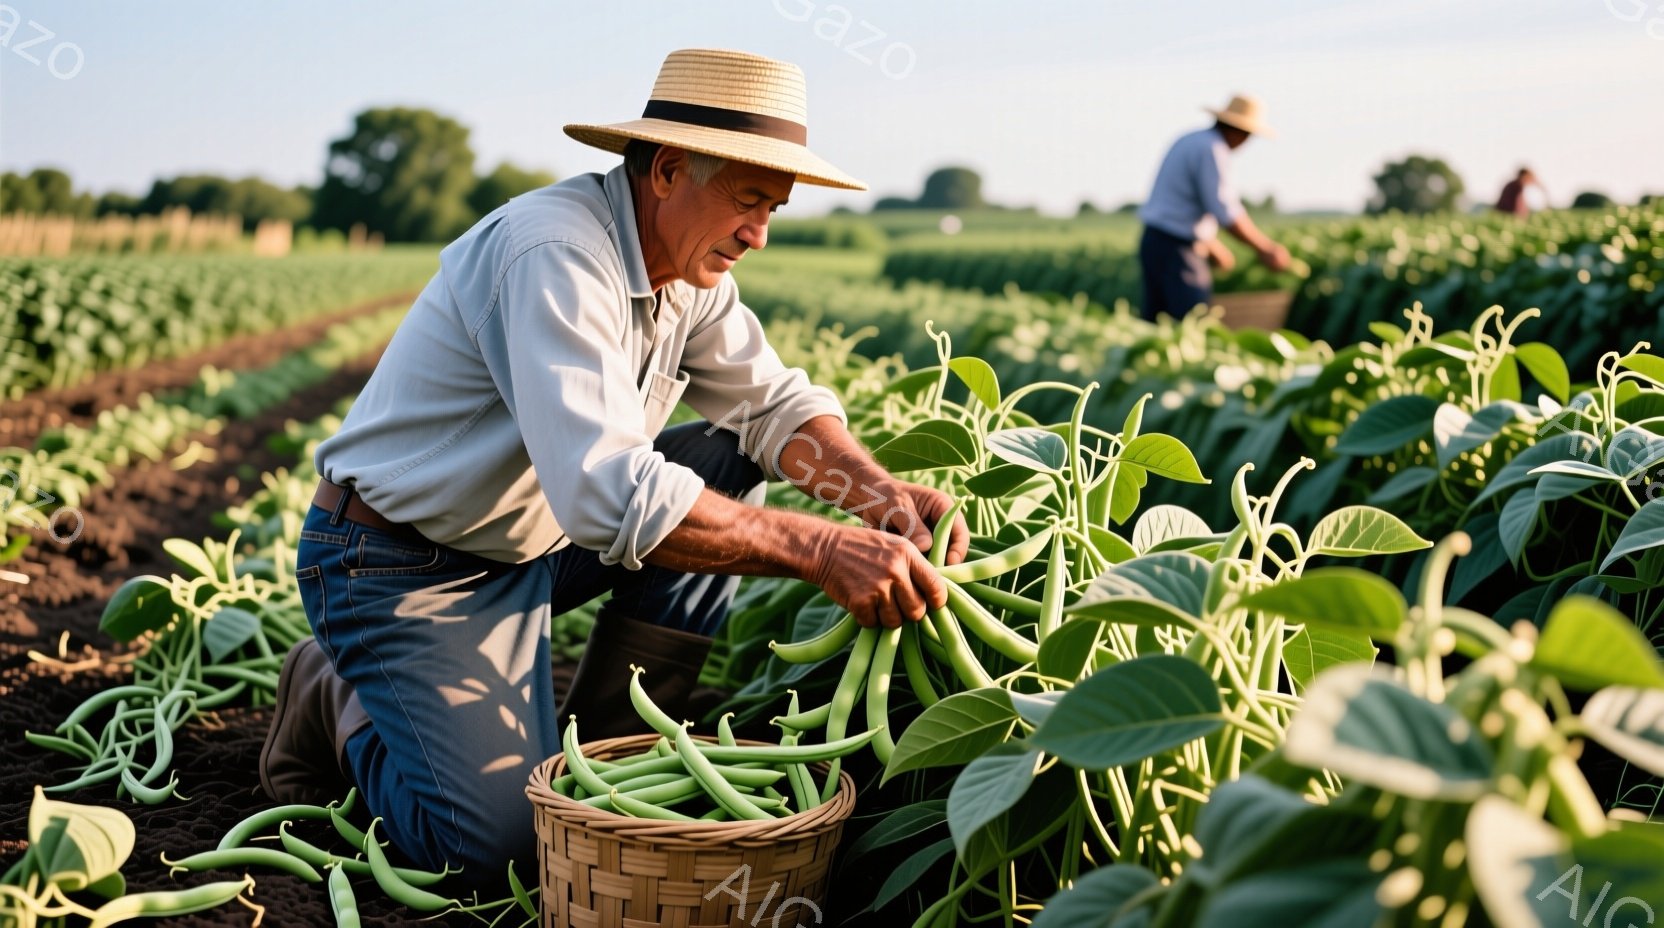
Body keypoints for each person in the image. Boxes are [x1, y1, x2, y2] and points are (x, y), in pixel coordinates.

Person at [258, 48, 968, 881]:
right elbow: (609, 494)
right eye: (747, 201)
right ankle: (334, 697)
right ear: (667, 170)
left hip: (530, 544)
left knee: (726, 453)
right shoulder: (553, 252)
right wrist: (818, 549)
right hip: (402, 565)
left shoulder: (688, 275)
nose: (759, 234)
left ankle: (607, 754)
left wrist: (876, 495)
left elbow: (770, 407)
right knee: (496, 854)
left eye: (773, 208)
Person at [1137, 95, 1291, 321]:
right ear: (1240, 132)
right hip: (1177, 249)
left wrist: (1210, 243)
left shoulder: (1191, 140)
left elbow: (1184, 204)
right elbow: (1224, 209)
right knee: (1193, 320)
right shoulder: (1213, 149)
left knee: (1158, 320)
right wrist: (1265, 248)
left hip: (1155, 240)